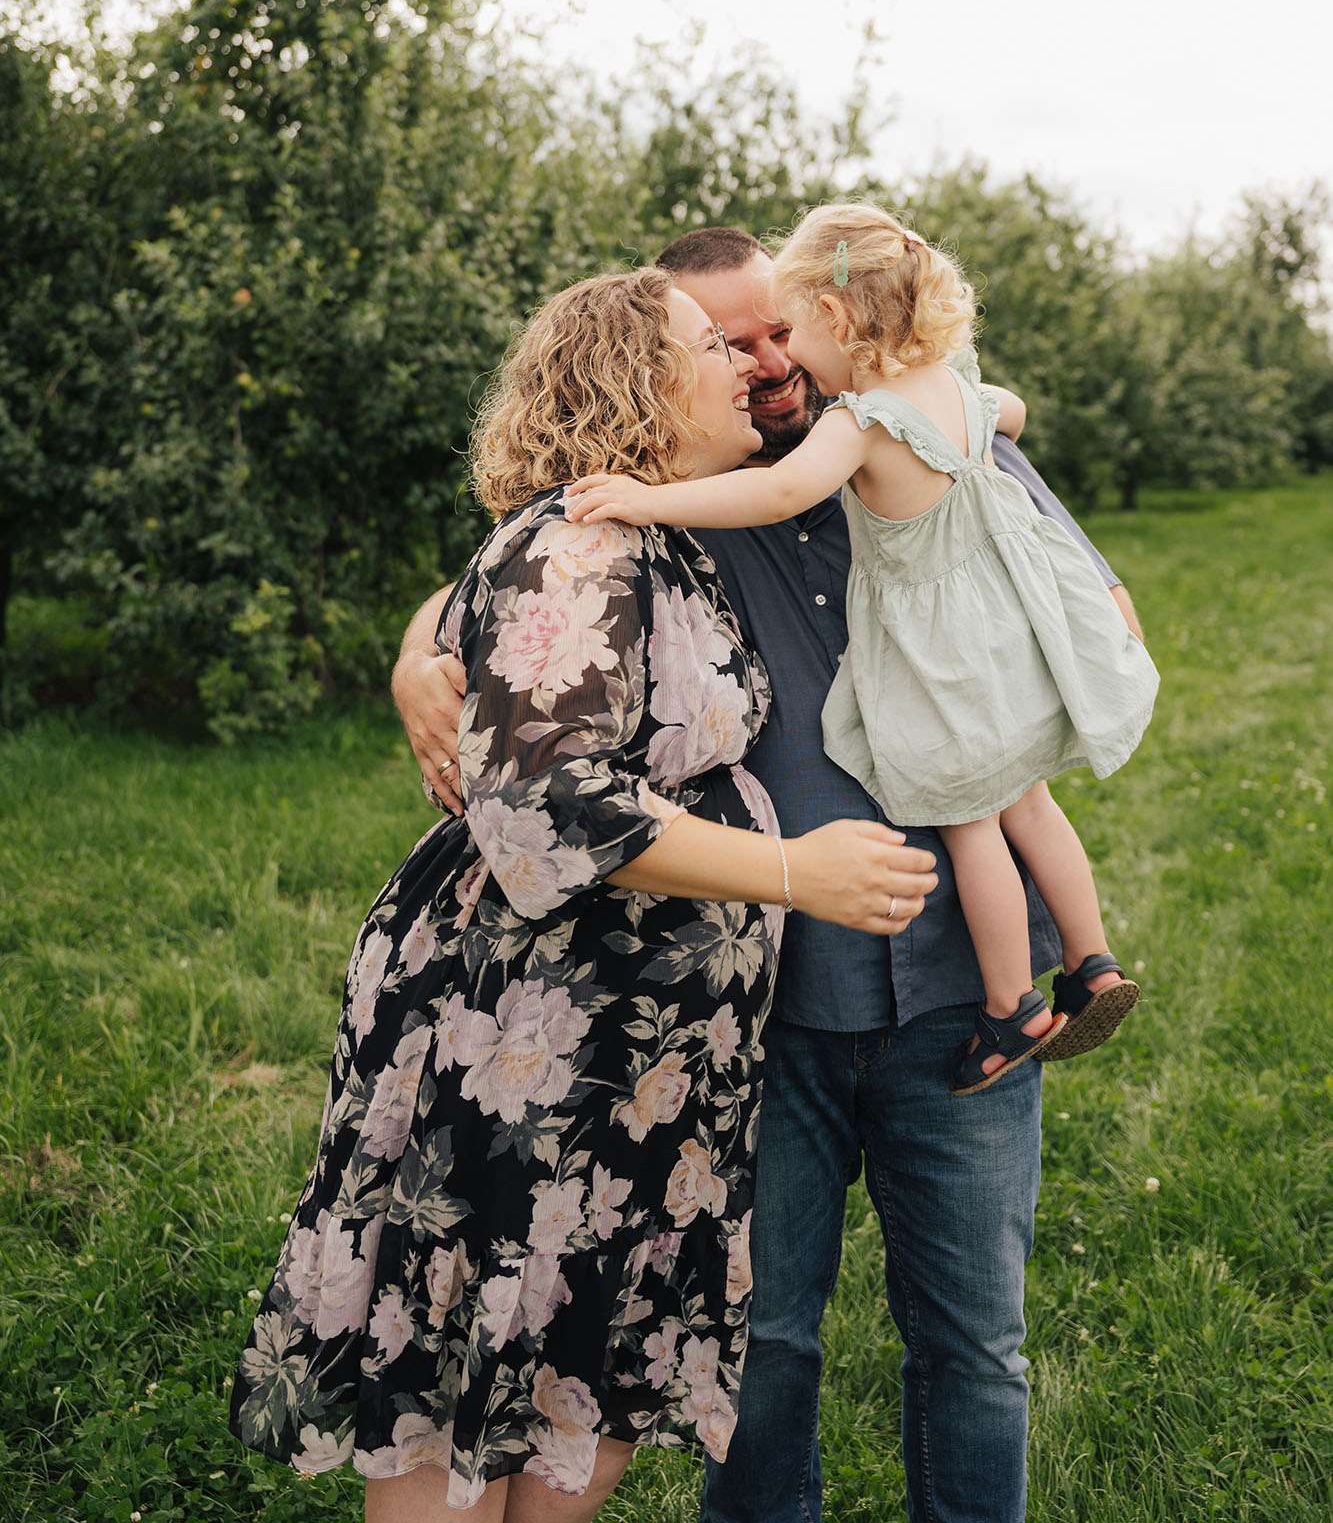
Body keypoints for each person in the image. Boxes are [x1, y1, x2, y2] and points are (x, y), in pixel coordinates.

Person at [395, 224, 1146, 1523]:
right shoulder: (687, 485)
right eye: (727, 344)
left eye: (771, 331)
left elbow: (1101, 602)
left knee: (976, 1342)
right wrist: (414, 655)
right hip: (761, 1001)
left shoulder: (922, 432)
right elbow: (518, 561)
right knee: (761, 1337)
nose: (761, 363)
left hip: (963, 986)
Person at [231, 266, 935, 1523]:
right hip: (533, 1044)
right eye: (711, 344)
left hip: (630, 1057)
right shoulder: (581, 544)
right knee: (467, 1376)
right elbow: (543, 798)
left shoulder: (657, 533)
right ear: (639, 381)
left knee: (573, 1378)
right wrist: (794, 872)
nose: (746, 367)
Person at [566, 203, 1159, 1096]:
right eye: (733, 345)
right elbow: (1013, 410)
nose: (780, 361)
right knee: (1029, 805)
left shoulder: (861, 423)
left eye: (788, 331)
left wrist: (644, 501)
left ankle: (1009, 1006)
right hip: (997, 657)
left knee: (970, 822)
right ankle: (1092, 961)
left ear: (833, 318)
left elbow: (781, 491)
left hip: (935, 669)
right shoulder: (957, 392)